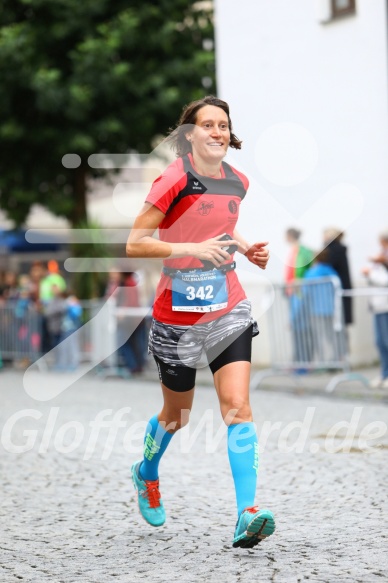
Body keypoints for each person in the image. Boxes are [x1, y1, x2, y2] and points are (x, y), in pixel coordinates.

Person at [126, 95, 275, 549]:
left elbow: (221, 229)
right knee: (177, 416)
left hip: (227, 305)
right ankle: (146, 473)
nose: (217, 132)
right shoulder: (173, 179)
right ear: (189, 135)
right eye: (207, 125)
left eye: (223, 125)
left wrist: (245, 248)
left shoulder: (238, 182)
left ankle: (246, 514)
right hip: (176, 315)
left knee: (238, 407)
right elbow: (136, 242)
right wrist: (190, 251)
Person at [303, 249, 344, 365]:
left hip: (316, 310)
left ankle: (322, 363)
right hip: (331, 310)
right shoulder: (332, 272)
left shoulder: (311, 273)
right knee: (333, 337)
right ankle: (337, 360)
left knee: (318, 337)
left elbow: (305, 292)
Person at [362, 230, 388, 389]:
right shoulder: (381, 258)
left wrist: (370, 273)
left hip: (385, 306)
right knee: (380, 342)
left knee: (386, 341)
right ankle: (384, 373)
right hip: (378, 306)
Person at [284, 228, 314, 367]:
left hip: (299, 294)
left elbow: (302, 271)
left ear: (290, 236)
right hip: (293, 293)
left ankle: (304, 362)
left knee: (300, 328)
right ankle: (299, 361)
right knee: (296, 328)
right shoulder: (295, 250)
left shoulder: (302, 251)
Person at [323, 228, 353, 327]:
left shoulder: (333, 250)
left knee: (338, 321)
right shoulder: (338, 248)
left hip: (337, 289)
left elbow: (329, 265)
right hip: (341, 287)